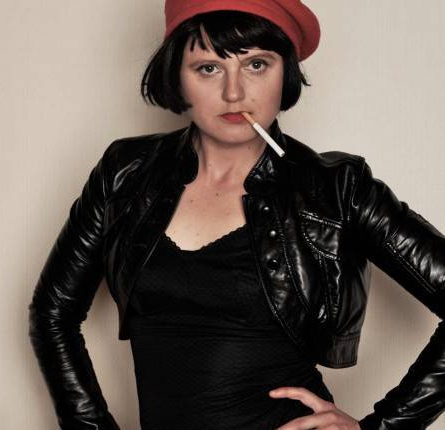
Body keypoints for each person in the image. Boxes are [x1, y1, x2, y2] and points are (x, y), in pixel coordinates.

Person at [28, 1, 445, 429]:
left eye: (256, 65)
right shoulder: (125, 172)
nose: (234, 93)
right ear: (177, 76)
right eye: (208, 68)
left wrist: (383, 427)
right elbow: (52, 312)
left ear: (285, 73)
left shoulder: (337, 188)